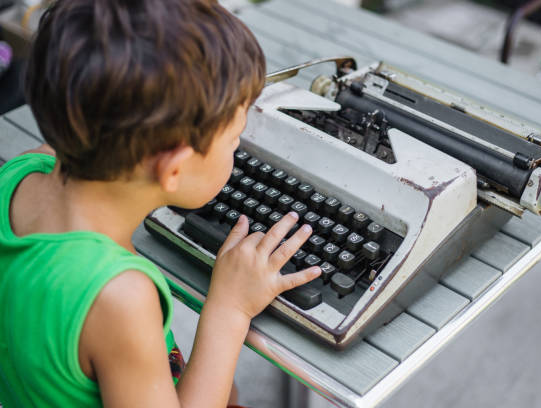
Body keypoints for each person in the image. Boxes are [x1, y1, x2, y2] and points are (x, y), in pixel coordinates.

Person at [0, 0, 321, 407]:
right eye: (233, 140)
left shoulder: (19, 174)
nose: (237, 148)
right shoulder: (119, 297)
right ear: (173, 169)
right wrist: (230, 310)